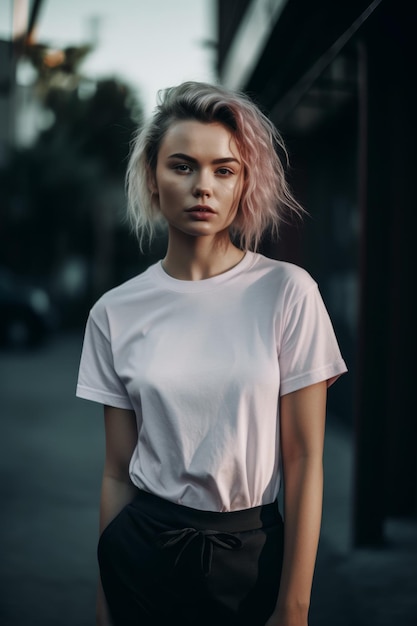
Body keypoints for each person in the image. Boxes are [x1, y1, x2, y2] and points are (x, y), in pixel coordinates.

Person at [76, 80, 347, 626]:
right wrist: (106, 605)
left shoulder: (289, 292)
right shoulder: (114, 311)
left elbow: (304, 460)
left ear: (243, 183)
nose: (204, 186)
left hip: (252, 556)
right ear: (154, 179)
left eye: (224, 170)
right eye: (183, 166)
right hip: (141, 555)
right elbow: (115, 472)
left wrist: (294, 607)